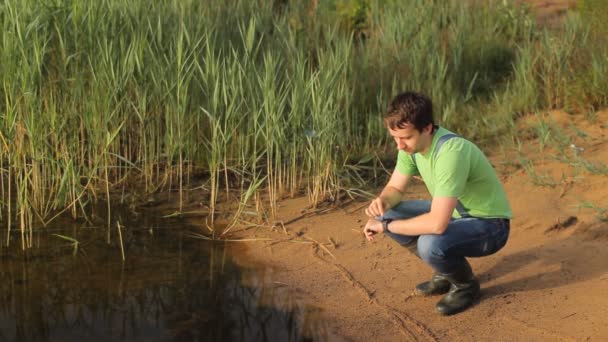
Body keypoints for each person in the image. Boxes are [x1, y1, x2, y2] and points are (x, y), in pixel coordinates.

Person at [363, 91, 512, 316]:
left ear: (427, 128)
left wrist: (386, 227)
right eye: (395, 137)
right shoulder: (410, 148)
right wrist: (382, 201)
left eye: (405, 137)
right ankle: (446, 271)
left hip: (490, 225)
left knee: (430, 243)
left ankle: (465, 285)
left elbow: (437, 225)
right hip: (456, 215)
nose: (399, 145)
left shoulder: (451, 152)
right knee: (387, 213)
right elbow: (395, 189)